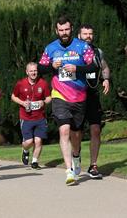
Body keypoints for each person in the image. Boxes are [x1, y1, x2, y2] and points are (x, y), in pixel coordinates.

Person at [38, 16, 96, 185]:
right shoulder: (50, 48)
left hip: (79, 96)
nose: (64, 33)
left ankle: (76, 156)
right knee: (64, 131)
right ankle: (69, 171)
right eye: (61, 30)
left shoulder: (82, 46)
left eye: (66, 30)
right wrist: (51, 67)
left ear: (71, 29)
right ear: (57, 30)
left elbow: (93, 66)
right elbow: (40, 67)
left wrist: (77, 68)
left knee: (76, 133)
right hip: (59, 96)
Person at [78, 24, 110, 179]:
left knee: (96, 129)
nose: (88, 36)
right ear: (79, 36)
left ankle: (93, 165)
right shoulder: (73, 51)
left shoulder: (98, 52)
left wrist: (106, 79)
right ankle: (75, 157)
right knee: (75, 132)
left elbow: (104, 67)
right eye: (85, 34)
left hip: (92, 95)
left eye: (90, 34)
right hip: (75, 95)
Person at [11, 62, 51, 169]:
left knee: (38, 141)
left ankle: (34, 161)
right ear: (27, 72)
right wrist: (23, 103)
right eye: (31, 71)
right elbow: (13, 96)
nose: (34, 73)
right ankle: (25, 150)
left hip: (40, 117)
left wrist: (43, 102)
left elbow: (49, 97)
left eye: (35, 71)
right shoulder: (21, 83)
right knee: (29, 142)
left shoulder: (43, 83)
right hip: (26, 117)